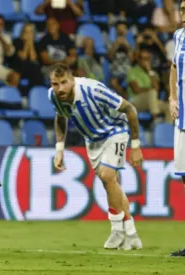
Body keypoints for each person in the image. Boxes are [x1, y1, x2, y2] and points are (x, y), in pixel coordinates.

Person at [49, 63, 143, 250]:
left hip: (115, 130)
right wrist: (59, 149)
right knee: (111, 184)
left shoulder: (93, 89)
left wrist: (135, 146)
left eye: (63, 83)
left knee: (107, 176)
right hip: (92, 140)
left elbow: (130, 109)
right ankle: (130, 233)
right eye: (55, 84)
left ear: (72, 79)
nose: (59, 88)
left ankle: (117, 230)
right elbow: (60, 117)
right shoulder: (54, 96)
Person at [168, 0, 185, 257]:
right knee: (184, 177)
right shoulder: (179, 35)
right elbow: (173, 67)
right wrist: (172, 97)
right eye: (181, 9)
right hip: (182, 120)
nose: (183, 13)